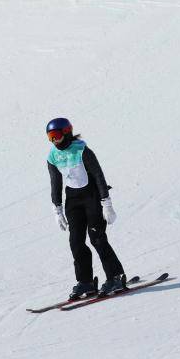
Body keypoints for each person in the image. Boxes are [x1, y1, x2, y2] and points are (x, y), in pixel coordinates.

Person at [45, 118, 126, 299]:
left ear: (67, 132)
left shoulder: (82, 150)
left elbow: (98, 175)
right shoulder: (53, 157)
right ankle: (85, 282)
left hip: (92, 196)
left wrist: (106, 203)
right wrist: (57, 209)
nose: (54, 141)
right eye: (50, 137)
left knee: (97, 238)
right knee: (75, 242)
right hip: (73, 201)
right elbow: (55, 183)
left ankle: (115, 276)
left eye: (56, 136)